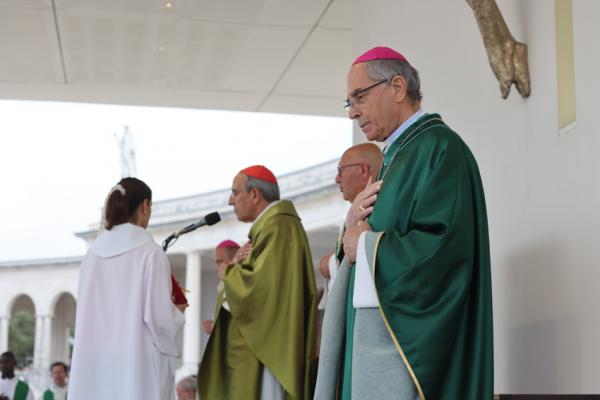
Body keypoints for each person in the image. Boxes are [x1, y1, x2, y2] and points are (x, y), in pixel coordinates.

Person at [314, 47, 493, 399]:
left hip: (402, 352)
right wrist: (351, 233)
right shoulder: (395, 156)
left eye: (359, 97)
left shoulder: (439, 148)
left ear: (397, 87)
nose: (352, 112)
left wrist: (366, 245)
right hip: (369, 342)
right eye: (349, 101)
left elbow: (444, 250)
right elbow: (361, 241)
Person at [198, 165, 317, 400]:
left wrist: (230, 271)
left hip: (265, 352)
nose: (230, 201)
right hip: (259, 347)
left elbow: (260, 288)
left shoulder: (279, 227)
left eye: (235, 192)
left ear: (255, 195)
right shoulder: (272, 227)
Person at [69, 177, 185, 400]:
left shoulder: (91, 256)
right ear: (145, 206)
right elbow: (160, 319)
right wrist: (177, 312)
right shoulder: (151, 253)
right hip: (136, 367)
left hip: (94, 367)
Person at [318, 143, 383, 310]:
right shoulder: (356, 210)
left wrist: (331, 263)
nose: (336, 179)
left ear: (363, 170)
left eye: (341, 171)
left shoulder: (379, 210)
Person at [201, 240, 240, 335]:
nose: (217, 267)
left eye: (219, 262)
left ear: (234, 261)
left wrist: (214, 327)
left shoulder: (243, 285)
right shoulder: (222, 287)